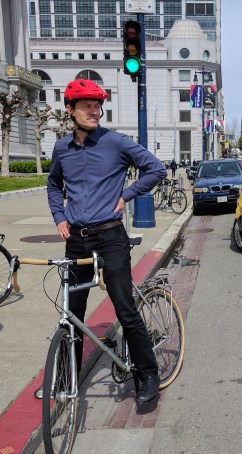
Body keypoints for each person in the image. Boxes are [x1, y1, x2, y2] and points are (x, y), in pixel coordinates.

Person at [44, 79, 166, 403]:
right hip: (77, 240)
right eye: (86, 105)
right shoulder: (60, 149)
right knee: (72, 312)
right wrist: (59, 216)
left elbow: (156, 170)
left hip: (111, 236)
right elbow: (54, 185)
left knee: (124, 309)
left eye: (98, 105)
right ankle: (66, 379)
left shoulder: (116, 143)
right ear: (69, 110)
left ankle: (147, 374)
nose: (94, 110)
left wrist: (126, 194)